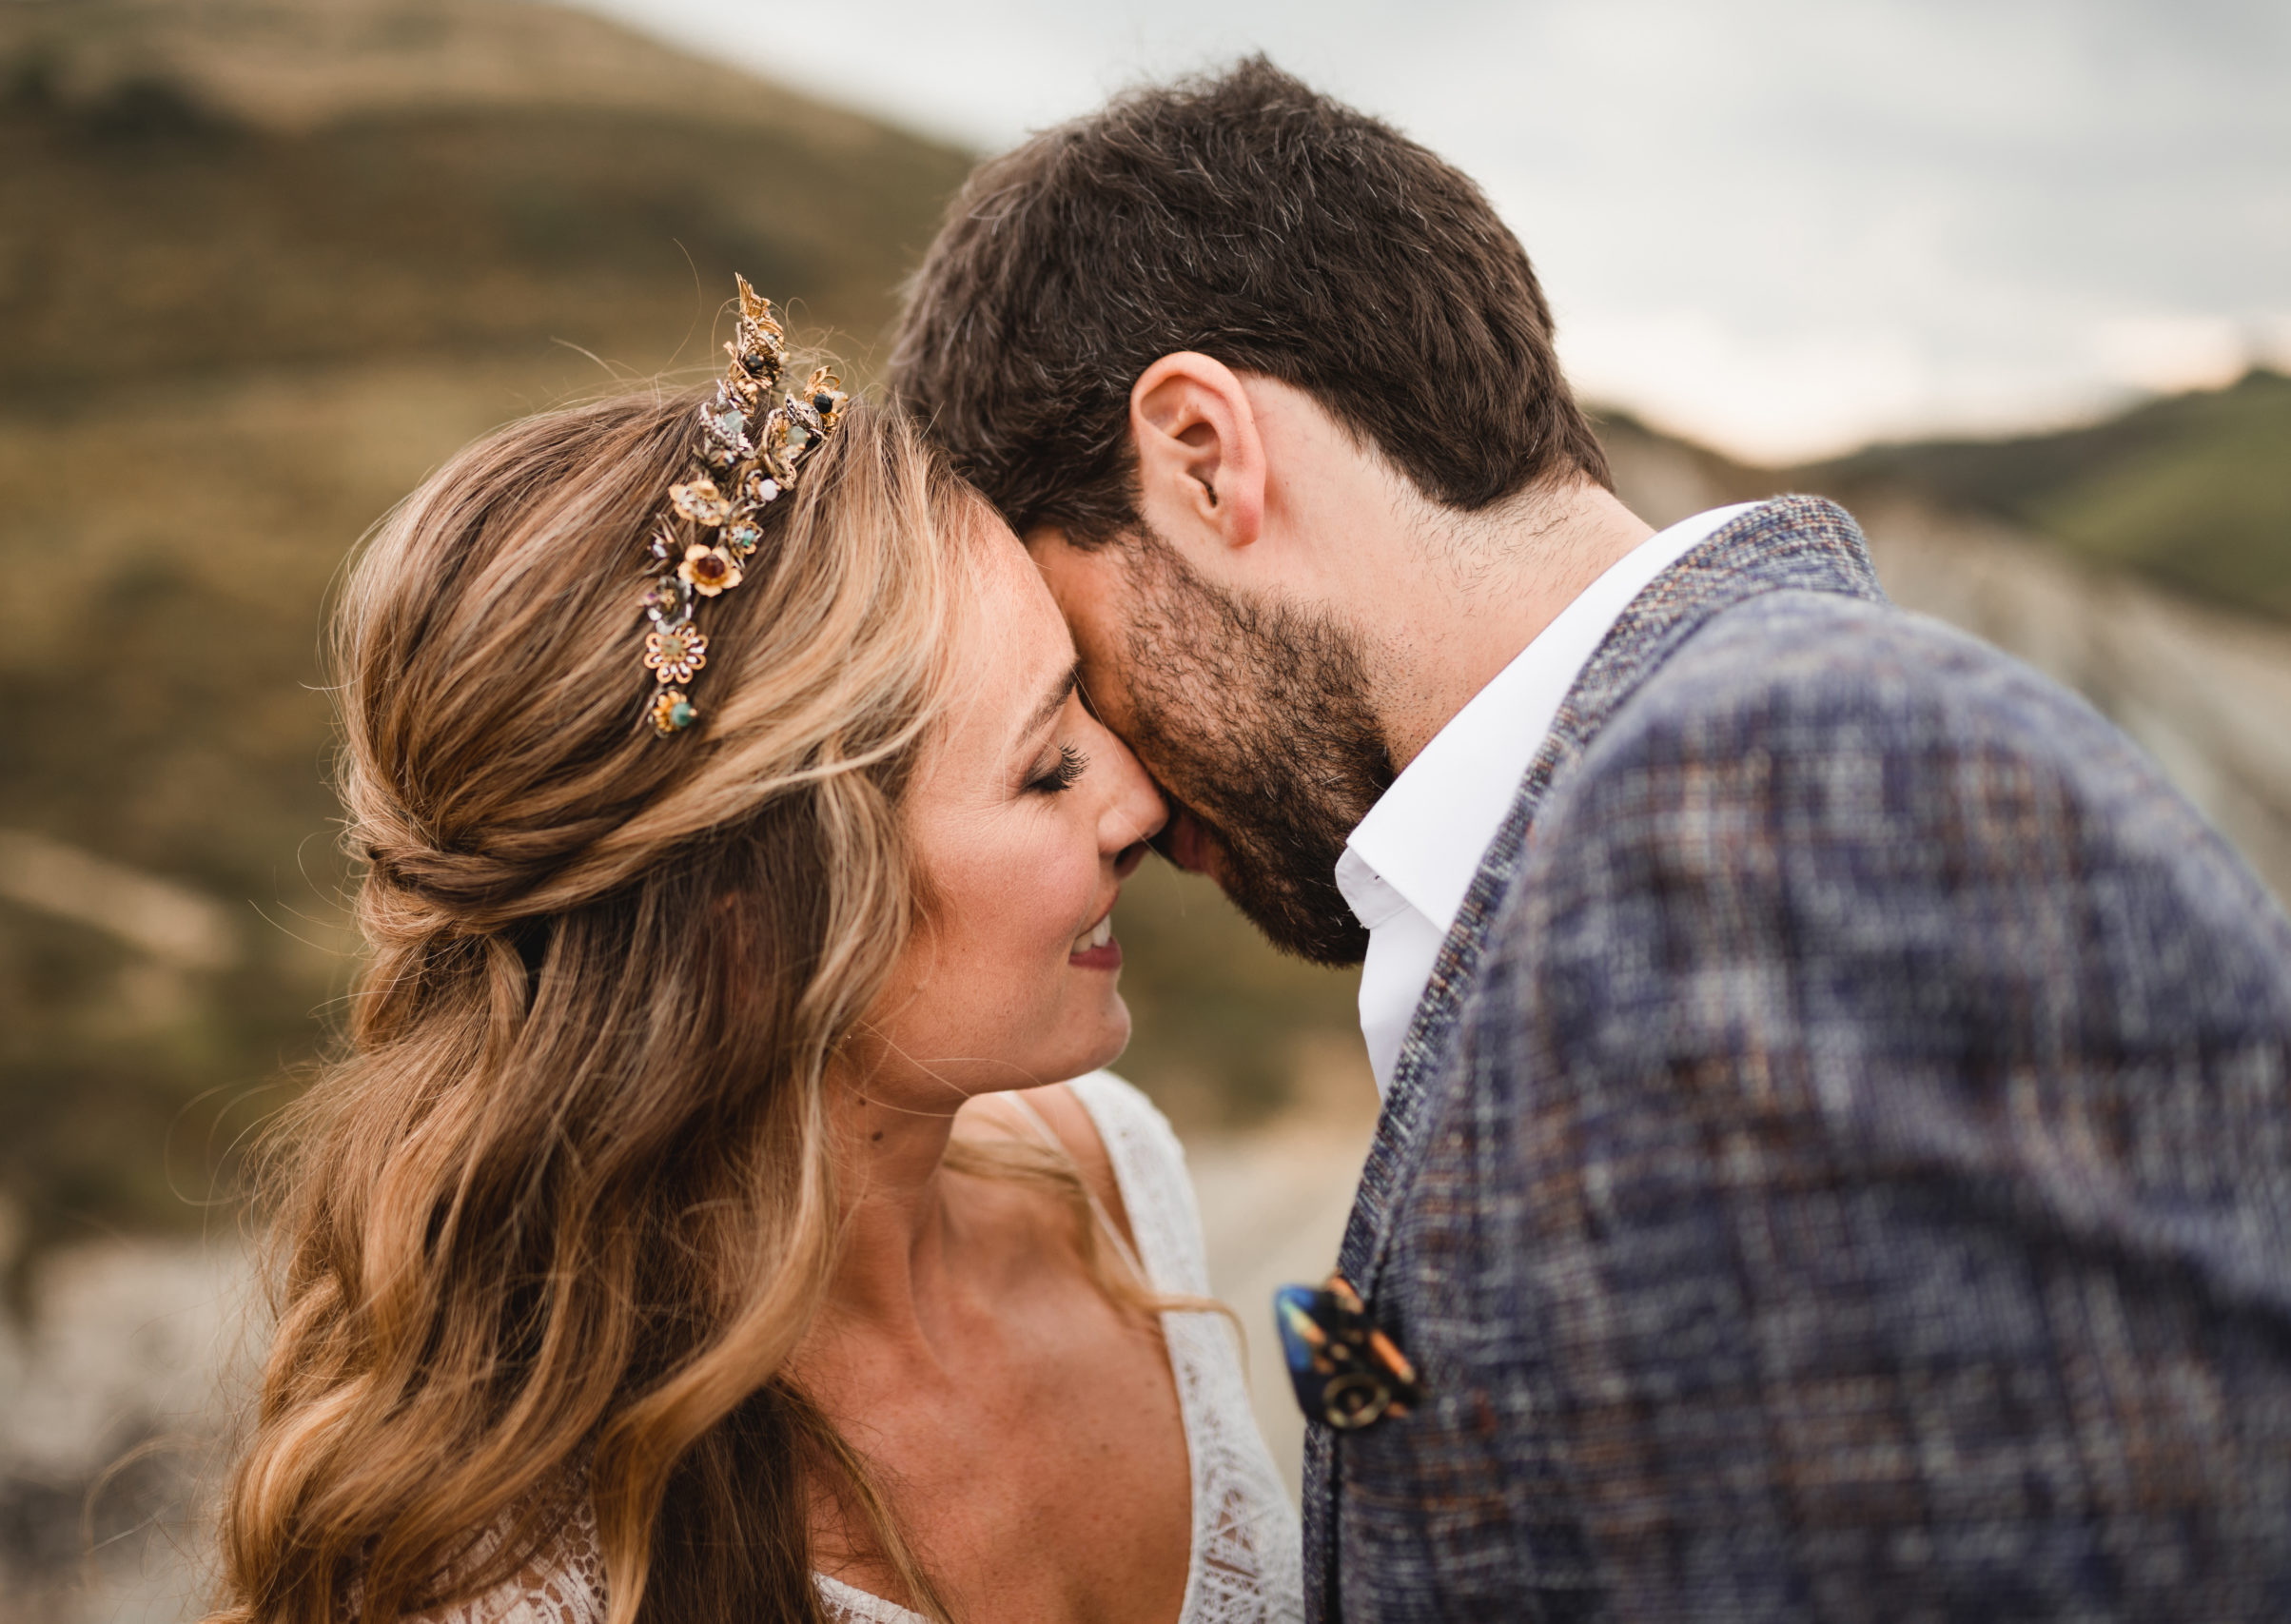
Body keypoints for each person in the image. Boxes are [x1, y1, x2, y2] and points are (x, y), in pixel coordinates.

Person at [890, 57, 2291, 1623]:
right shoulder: (1679, 810)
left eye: (1086, 666)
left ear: (1207, 456)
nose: (1126, 795)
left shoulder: (1780, 801)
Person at [208, 299, 1302, 1624]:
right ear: (756, 920)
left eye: (1083, 695)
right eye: (1043, 766)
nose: (1137, 802)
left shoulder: (1117, 1175)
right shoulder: (518, 1577)